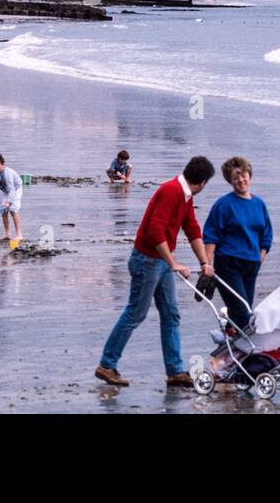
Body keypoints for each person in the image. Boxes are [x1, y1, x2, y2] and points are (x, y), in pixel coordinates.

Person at [95, 156, 215, 388]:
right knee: (135, 313)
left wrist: (204, 263)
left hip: (160, 262)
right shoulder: (171, 191)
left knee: (171, 314)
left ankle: (174, 371)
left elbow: (192, 229)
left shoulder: (184, 195)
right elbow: (155, 230)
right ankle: (107, 365)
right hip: (147, 261)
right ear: (202, 182)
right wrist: (173, 263)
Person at [200, 156, 272, 334]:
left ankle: (229, 341)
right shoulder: (224, 205)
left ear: (249, 175)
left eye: (243, 175)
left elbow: (267, 234)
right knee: (243, 312)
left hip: (251, 265)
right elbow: (211, 235)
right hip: (228, 264)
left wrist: (260, 256)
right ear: (230, 181)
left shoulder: (259, 204)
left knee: (243, 308)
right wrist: (207, 265)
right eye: (235, 178)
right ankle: (246, 346)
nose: (241, 180)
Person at [0, 154, 24, 248]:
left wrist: (8, 202)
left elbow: (12, 189)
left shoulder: (7, 173)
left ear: (3, 164)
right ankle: (7, 234)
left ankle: (19, 235)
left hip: (16, 189)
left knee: (12, 210)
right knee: (3, 210)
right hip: (7, 190)